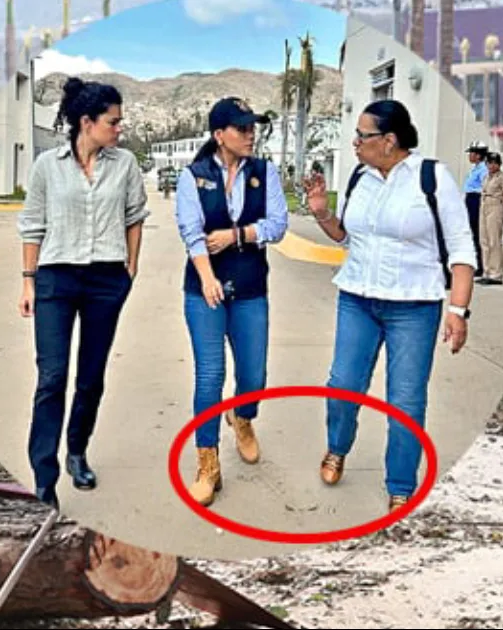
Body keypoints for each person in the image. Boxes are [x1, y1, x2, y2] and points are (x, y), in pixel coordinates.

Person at [302, 99, 477, 514]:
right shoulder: (361, 175)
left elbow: (461, 248)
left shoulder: (432, 178)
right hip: (358, 299)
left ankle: (400, 482)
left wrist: (458, 310)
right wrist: (323, 213)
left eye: (363, 136)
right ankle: (337, 448)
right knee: (342, 384)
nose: (355, 142)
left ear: (389, 140)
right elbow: (346, 237)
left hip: (413, 307)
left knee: (405, 399)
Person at [17, 76, 149, 509]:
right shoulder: (47, 166)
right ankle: (43, 478)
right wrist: (27, 279)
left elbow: (134, 217)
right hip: (56, 279)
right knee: (52, 377)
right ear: (87, 122)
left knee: (90, 378)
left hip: (106, 280)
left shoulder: (124, 163)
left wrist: (130, 268)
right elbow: (32, 223)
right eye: (113, 122)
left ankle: (76, 451)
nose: (119, 129)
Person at [174, 96, 289, 507]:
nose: (250, 134)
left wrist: (236, 236)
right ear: (219, 135)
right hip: (204, 287)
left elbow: (278, 225)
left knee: (253, 376)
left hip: (251, 286)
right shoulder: (194, 176)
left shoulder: (264, 172)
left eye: (252, 127)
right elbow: (192, 232)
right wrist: (206, 278)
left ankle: (242, 418)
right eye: (241, 128)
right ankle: (208, 463)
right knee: (209, 376)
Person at [477, 152, 503, 285]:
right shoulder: (486, 177)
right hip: (484, 204)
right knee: (484, 240)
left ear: (499, 164)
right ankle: (486, 271)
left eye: (494, 163)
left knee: (494, 241)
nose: (492, 165)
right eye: (489, 163)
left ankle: (495, 274)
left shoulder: (502, 178)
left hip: (495, 205)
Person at [463, 142, 489, 277]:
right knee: (472, 232)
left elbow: (484, 187)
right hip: (470, 198)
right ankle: (476, 263)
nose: (470, 156)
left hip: (476, 199)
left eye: (472, 153)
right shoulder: (476, 168)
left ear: (478, 155)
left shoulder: (483, 169)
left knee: (477, 232)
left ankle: (481, 265)